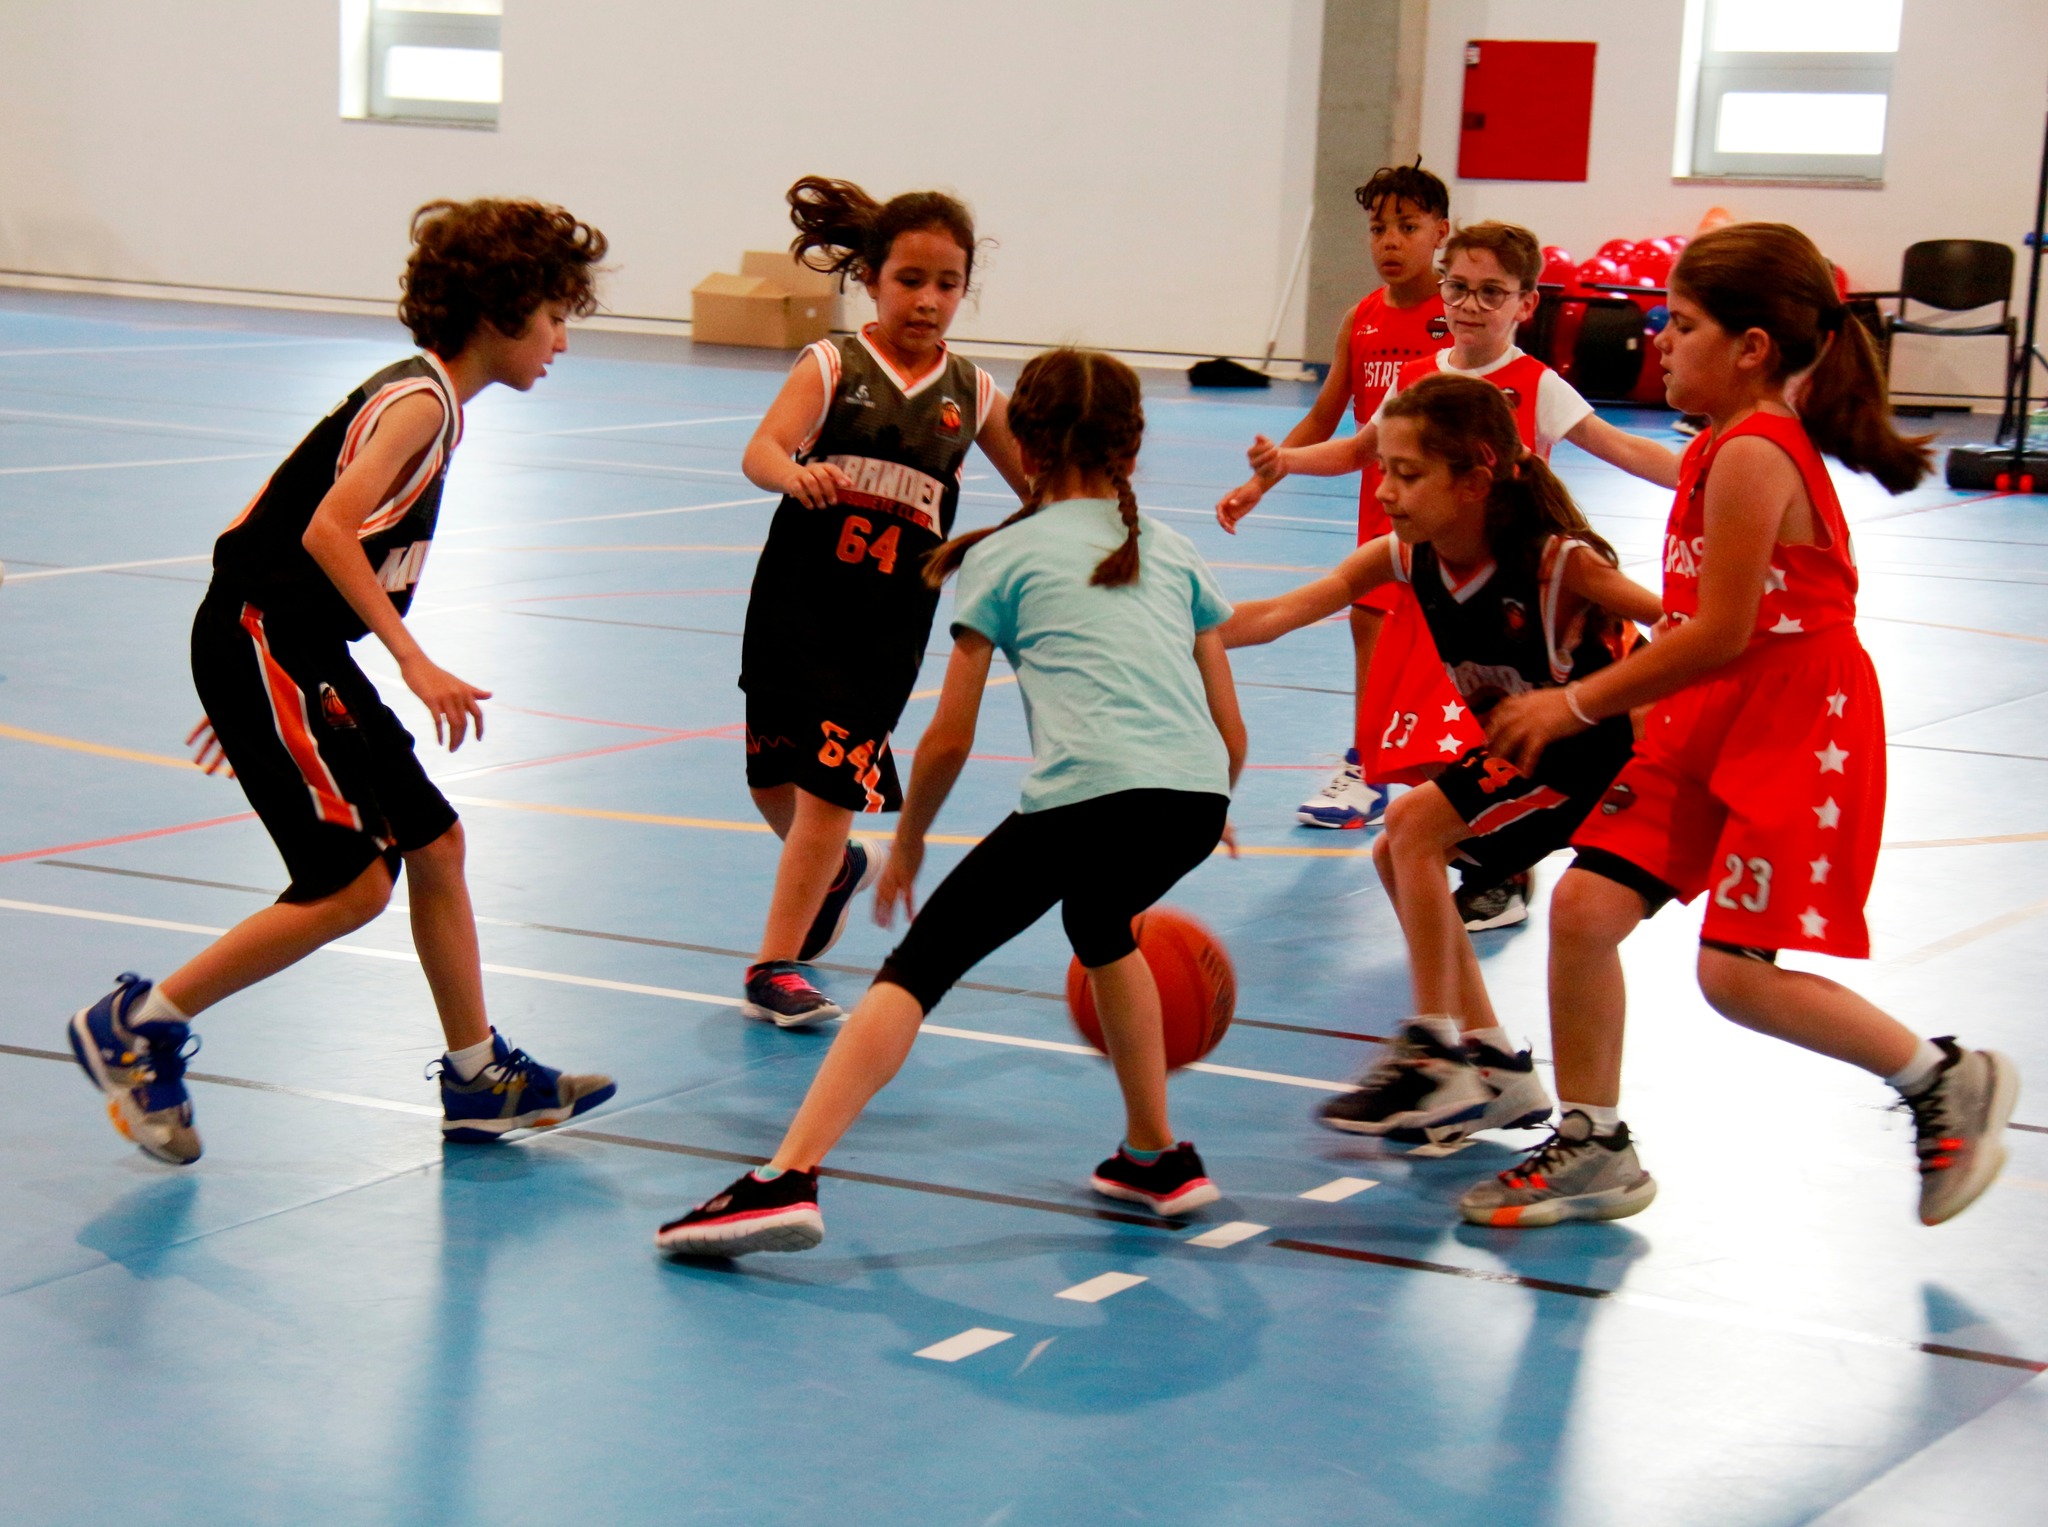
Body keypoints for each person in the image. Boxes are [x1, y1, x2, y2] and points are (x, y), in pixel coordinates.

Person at [1471, 222, 2019, 1228]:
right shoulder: (1719, 444)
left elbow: (1722, 631)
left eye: (1679, 326)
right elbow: (1692, 614)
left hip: (1793, 721)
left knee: (1730, 975)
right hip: (1702, 713)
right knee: (1586, 910)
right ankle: (1593, 1143)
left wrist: (1575, 700)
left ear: (1750, 345)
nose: (1661, 344)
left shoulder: (1756, 452)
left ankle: (1939, 1076)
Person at [656, 349, 1247, 1255]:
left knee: (915, 970)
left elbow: (950, 736)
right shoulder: (1171, 549)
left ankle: (786, 1177)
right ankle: (1156, 1154)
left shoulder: (1004, 555)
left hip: (1087, 800)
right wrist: (1204, 798)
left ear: (1029, 445)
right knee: (1102, 923)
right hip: (1193, 801)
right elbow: (1229, 727)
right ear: (1132, 447)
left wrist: (911, 842)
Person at [66, 199, 618, 1163]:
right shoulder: (421, 403)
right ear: (501, 311)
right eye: (556, 315)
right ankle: (137, 1023)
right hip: (268, 638)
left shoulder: (428, 403)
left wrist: (258, 688)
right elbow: (325, 529)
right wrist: (410, 660)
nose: (564, 340)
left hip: (288, 647)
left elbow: (282, 536)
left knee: (436, 844)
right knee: (352, 886)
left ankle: (478, 1077)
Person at [1223, 373, 1660, 1144]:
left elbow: (1684, 628)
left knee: (1415, 824)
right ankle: (1493, 1063)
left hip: (1603, 753)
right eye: (1383, 469)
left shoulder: (1559, 566)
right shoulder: (1407, 555)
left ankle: (1434, 1050)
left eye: (1408, 473)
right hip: (1528, 753)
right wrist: (1170, 622)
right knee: (1400, 848)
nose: (1386, 489)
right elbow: (1280, 612)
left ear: (1475, 479)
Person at [1251, 220, 1681, 934]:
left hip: (1509, 592)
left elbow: (1623, 448)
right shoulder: (1419, 383)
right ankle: (1462, 872)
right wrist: (1283, 465)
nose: (1472, 304)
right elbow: (1358, 449)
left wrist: (1709, 474)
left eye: (1491, 292)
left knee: (1487, 739)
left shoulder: (1536, 389)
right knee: (1430, 744)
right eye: (1458, 288)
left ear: (1524, 304)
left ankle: (1500, 869)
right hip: (1435, 589)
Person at [734, 176, 1029, 1028]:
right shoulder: (832, 364)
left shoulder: (971, 392)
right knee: (772, 780)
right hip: (792, 607)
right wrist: (792, 471)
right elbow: (761, 448)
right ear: (873, 278)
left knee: (829, 791)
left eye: (947, 283)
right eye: (911, 280)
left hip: (881, 632)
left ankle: (775, 963)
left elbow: (1040, 487)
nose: (929, 300)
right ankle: (832, 873)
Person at [1215, 160, 1451, 831]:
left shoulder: (1456, 316)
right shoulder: (1363, 319)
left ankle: (1472, 774)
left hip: (1448, 517)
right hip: (1380, 516)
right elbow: (1326, 420)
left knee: (1451, 647)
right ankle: (1367, 764)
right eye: (1380, 228)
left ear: (1441, 232)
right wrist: (1264, 479)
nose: (1391, 242)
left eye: (1408, 227)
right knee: (1368, 625)